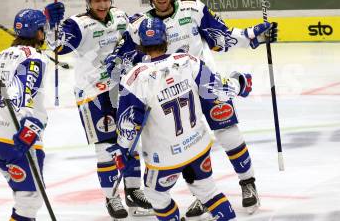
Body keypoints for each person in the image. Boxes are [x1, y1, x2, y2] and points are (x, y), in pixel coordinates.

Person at [106, 0, 278, 217]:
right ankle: (202, 194)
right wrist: (117, 66)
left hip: (201, 77)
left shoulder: (194, 10)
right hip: (166, 91)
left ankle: (248, 183)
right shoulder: (139, 25)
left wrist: (252, 36)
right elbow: (122, 60)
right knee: (182, 142)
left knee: (227, 131)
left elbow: (221, 37)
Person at [109, 17, 255, 220]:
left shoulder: (134, 78)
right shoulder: (189, 61)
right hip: (198, 147)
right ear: (166, 40)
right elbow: (218, 91)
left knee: (156, 195)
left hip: (164, 158)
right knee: (208, 191)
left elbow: (127, 125)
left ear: (140, 45)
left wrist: (122, 152)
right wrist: (241, 83)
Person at [44, 0, 153, 220]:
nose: (102, 5)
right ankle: (111, 197)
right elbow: (58, 47)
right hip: (94, 94)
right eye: (96, 1)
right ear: (88, 2)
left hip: (123, 89)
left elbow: (138, 38)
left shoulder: (120, 16)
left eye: (105, 0)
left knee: (130, 139)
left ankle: (134, 192)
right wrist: (52, 24)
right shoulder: (77, 24)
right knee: (105, 148)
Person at [0, 9, 49, 220]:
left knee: (26, 198)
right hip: (19, 138)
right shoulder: (34, 58)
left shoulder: (0, 56)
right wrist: (29, 128)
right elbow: (25, 93)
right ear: (38, 33)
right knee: (30, 199)